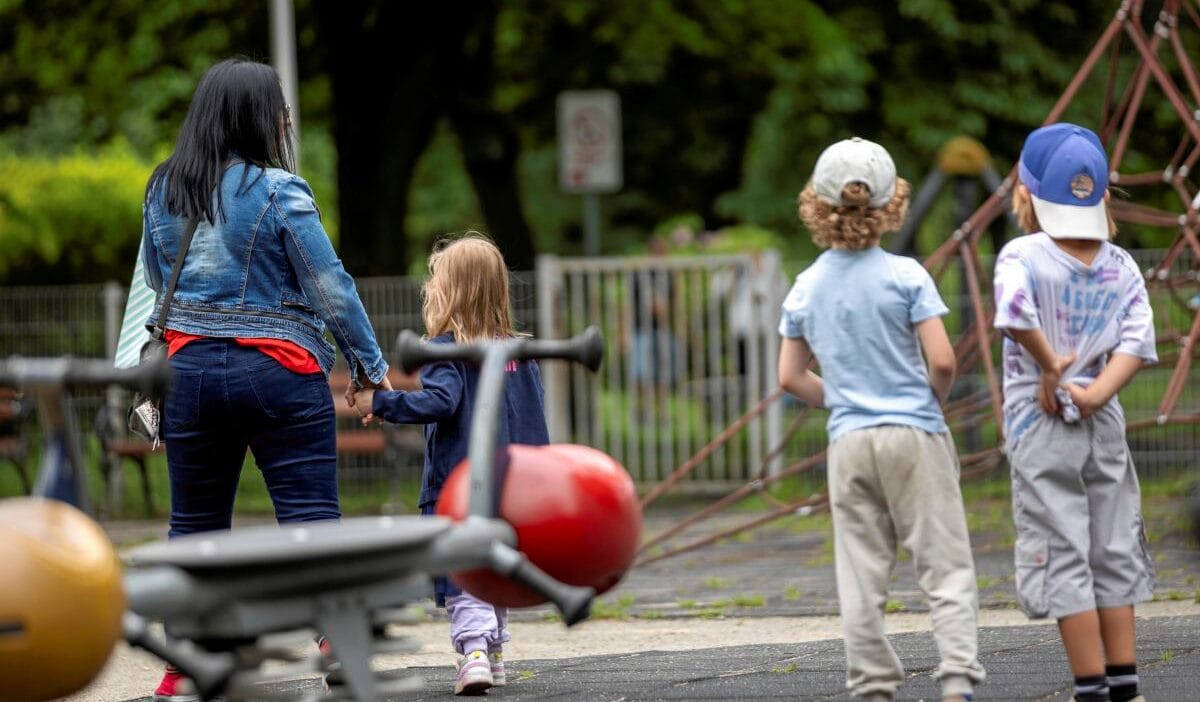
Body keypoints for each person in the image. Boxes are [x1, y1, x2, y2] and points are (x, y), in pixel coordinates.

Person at [140, 58, 390, 701]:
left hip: (188, 372)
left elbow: (155, 279)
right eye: (281, 109)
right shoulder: (279, 190)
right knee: (311, 519)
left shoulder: (164, 188)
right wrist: (369, 366)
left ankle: (183, 663)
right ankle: (338, 641)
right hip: (279, 371)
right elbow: (330, 286)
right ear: (258, 116)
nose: (285, 120)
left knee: (194, 528)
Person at [777, 137, 985, 702]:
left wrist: (846, 398)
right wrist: (926, 400)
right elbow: (943, 360)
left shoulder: (806, 286)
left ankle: (872, 685)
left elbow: (790, 377)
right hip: (913, 433)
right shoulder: (907, 275)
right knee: (943, 562)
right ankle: (957, 678)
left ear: (815, 205)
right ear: (893, 203)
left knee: (861, 571)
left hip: (849, 442)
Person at [993, 122, 1155, 702]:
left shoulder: (1022, 254)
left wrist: (1050, 367)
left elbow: (1014, 311)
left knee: (1063, 547)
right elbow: (1137, 341)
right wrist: (1097, 393)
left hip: (1040, 424)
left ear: (1027, 193)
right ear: (1102, 194)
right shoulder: (1121, 264)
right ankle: (1126, 686)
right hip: (1102, 420)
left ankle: (1089, 688)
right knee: (1112, 543)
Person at [351, 234, 549, 696]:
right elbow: (535, 417)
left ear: (450, 292)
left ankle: (474, 652)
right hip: (513, 485)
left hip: (458, 485)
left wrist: (382, 402)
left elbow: (439, 403)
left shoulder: (446, 350)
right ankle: (494, 652)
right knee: (495, 562)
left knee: (462, 567)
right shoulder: (518, 353)